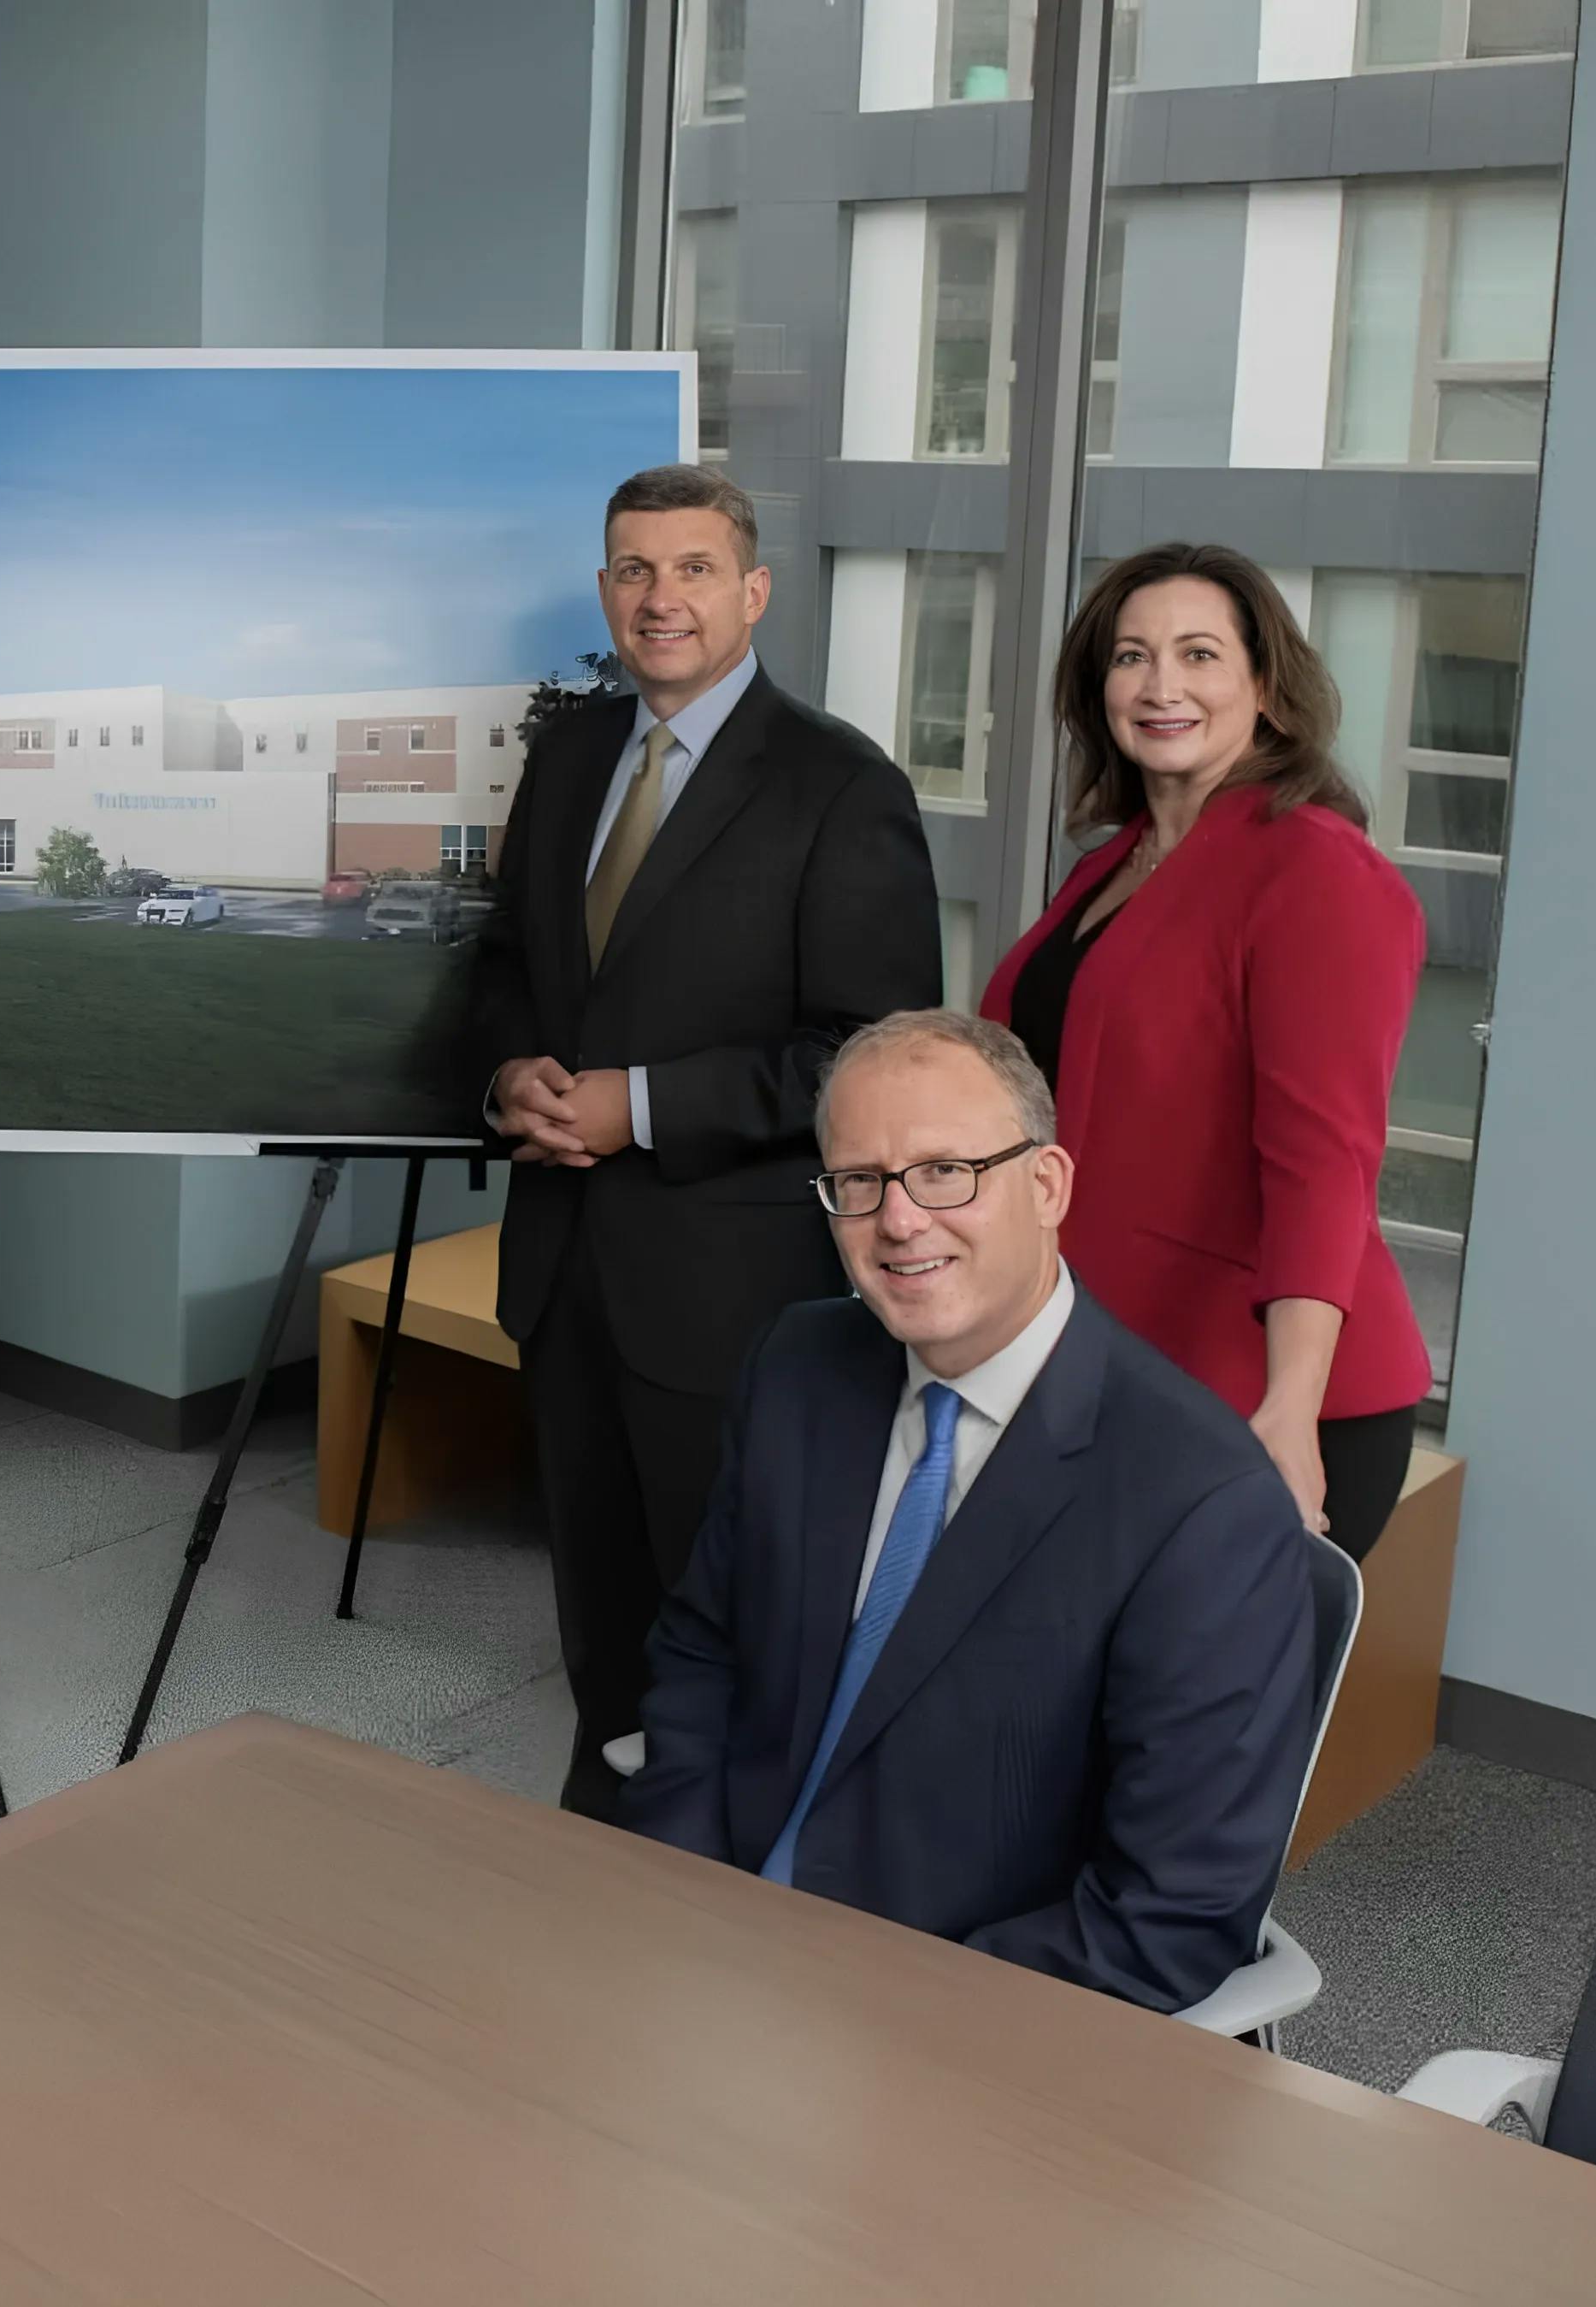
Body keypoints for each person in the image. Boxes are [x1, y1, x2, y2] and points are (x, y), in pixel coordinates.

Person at [621, 1010, 1320, 2014]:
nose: (898, 1220)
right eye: (857, 1181)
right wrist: (678, 1891)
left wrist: (877, 2013)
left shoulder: (1200, 1504)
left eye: (946, 1171)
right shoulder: (797, 1368)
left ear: (1047, 1185)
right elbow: (701, 1651)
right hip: (704, 1935)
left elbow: (1169, 1914)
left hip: (939, 2018)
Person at [468, 463, 943, 1821]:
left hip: (729, 1298)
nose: (659, 597)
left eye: (692, 569)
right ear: (605, 590)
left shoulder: (840, 785)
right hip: (565, 1272)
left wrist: (639, 1105)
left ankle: (724, 1878)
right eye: (633, 569)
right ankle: (604, 1832)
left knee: (731, 1624)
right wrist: (508, 1076)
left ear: (754, 592)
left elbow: (870, 1054)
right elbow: (506, 966)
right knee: (600, 1617)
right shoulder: (569, 758)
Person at [979, 544, 1432, 1560]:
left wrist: (1288, 1404)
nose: (1160, 685)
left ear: (1265, 688)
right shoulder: (1112, 862)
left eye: (1198, 654)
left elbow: (1323, 1159)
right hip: (1105, 1359)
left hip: (1258, 1394)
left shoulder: (1315, 869)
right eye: (1130, 657)